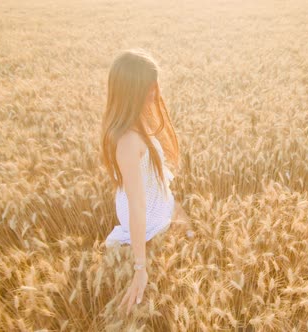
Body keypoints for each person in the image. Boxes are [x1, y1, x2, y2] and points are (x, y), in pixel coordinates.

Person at [99, 48, 192, 315]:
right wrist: (140, 268)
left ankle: (182, 227)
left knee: (186, 225)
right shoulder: (128, 141)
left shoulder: (134, 122)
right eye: (150, 87)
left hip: (153, 201)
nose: (156, 92)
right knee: (185, 233)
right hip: (147, 214)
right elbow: (137, 205)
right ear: (132, 91)